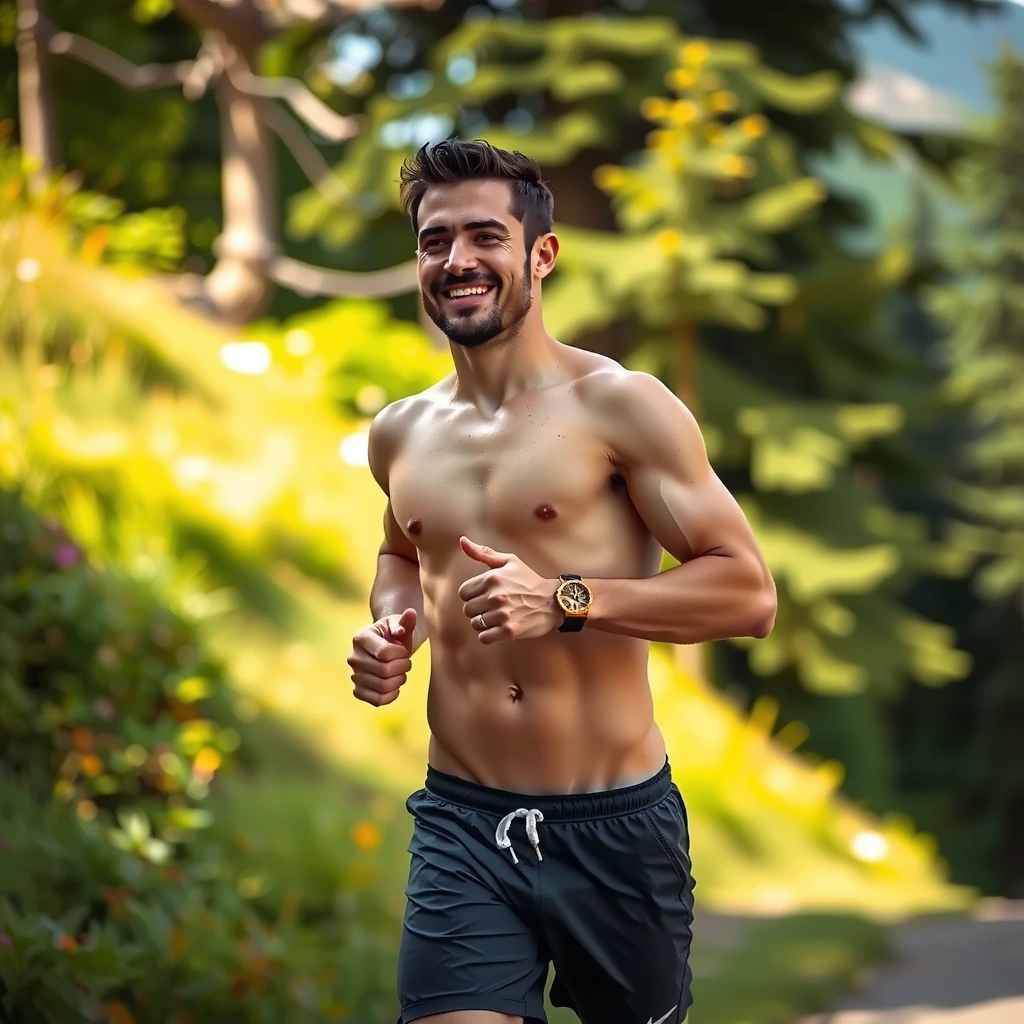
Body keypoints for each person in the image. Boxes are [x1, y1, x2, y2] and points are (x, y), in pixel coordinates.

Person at [347, 139, 777, 1024]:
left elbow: (747, 593)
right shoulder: (400, 433)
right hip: (462, 822)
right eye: (435, 241)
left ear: (541, 254)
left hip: (613, 827)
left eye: (483, 237)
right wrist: (395, 628)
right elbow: (402, 553)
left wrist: (567, 600)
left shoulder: (622, 406)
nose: (457, 261)